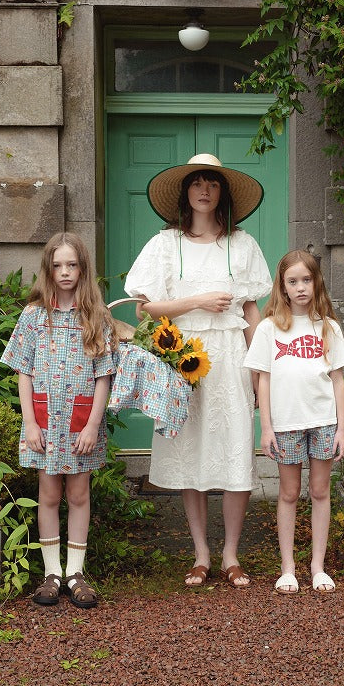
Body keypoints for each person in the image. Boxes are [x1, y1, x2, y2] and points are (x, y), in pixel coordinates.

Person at [124, 154, 272, 588]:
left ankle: (231, 555)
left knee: (235, 449)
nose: (204, 190)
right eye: (196, 183)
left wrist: (260, 368)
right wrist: (197, 302)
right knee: (191, 452)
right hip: (183, 357)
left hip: (231, 355)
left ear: (222, 193)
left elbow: (251, 310)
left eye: (213, 183)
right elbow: (144, 308)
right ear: (185, 192)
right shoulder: (164, 244)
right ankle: (201, 554)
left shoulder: (242, 244)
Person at [1, 232, 115, 609]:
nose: (65, 272)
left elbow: (104, 376)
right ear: (48, 270)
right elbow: (24, 372)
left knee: (79, 495)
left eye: (72, 265)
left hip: (82, 425)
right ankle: (51, 573)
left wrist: (93, 425)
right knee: (49, 495)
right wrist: (31, 424)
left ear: (83, 268)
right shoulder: (34, 315)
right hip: (45, 424)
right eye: (58, 265)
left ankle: (75, 574)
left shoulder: (96, 317)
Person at [243, 249, 344, 594]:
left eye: (306, 279)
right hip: (286, 424)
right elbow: (262, 380)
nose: (301, 287)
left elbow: (337, 380)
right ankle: (288, 567)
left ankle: (318, 566)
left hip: (323, 422)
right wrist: (266, 427)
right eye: (293, 281)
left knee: (320, 491)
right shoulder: (269, 329)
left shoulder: (328, 327)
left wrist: (342, 429)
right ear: (283, 287)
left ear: (316, 282)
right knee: (288, 492)